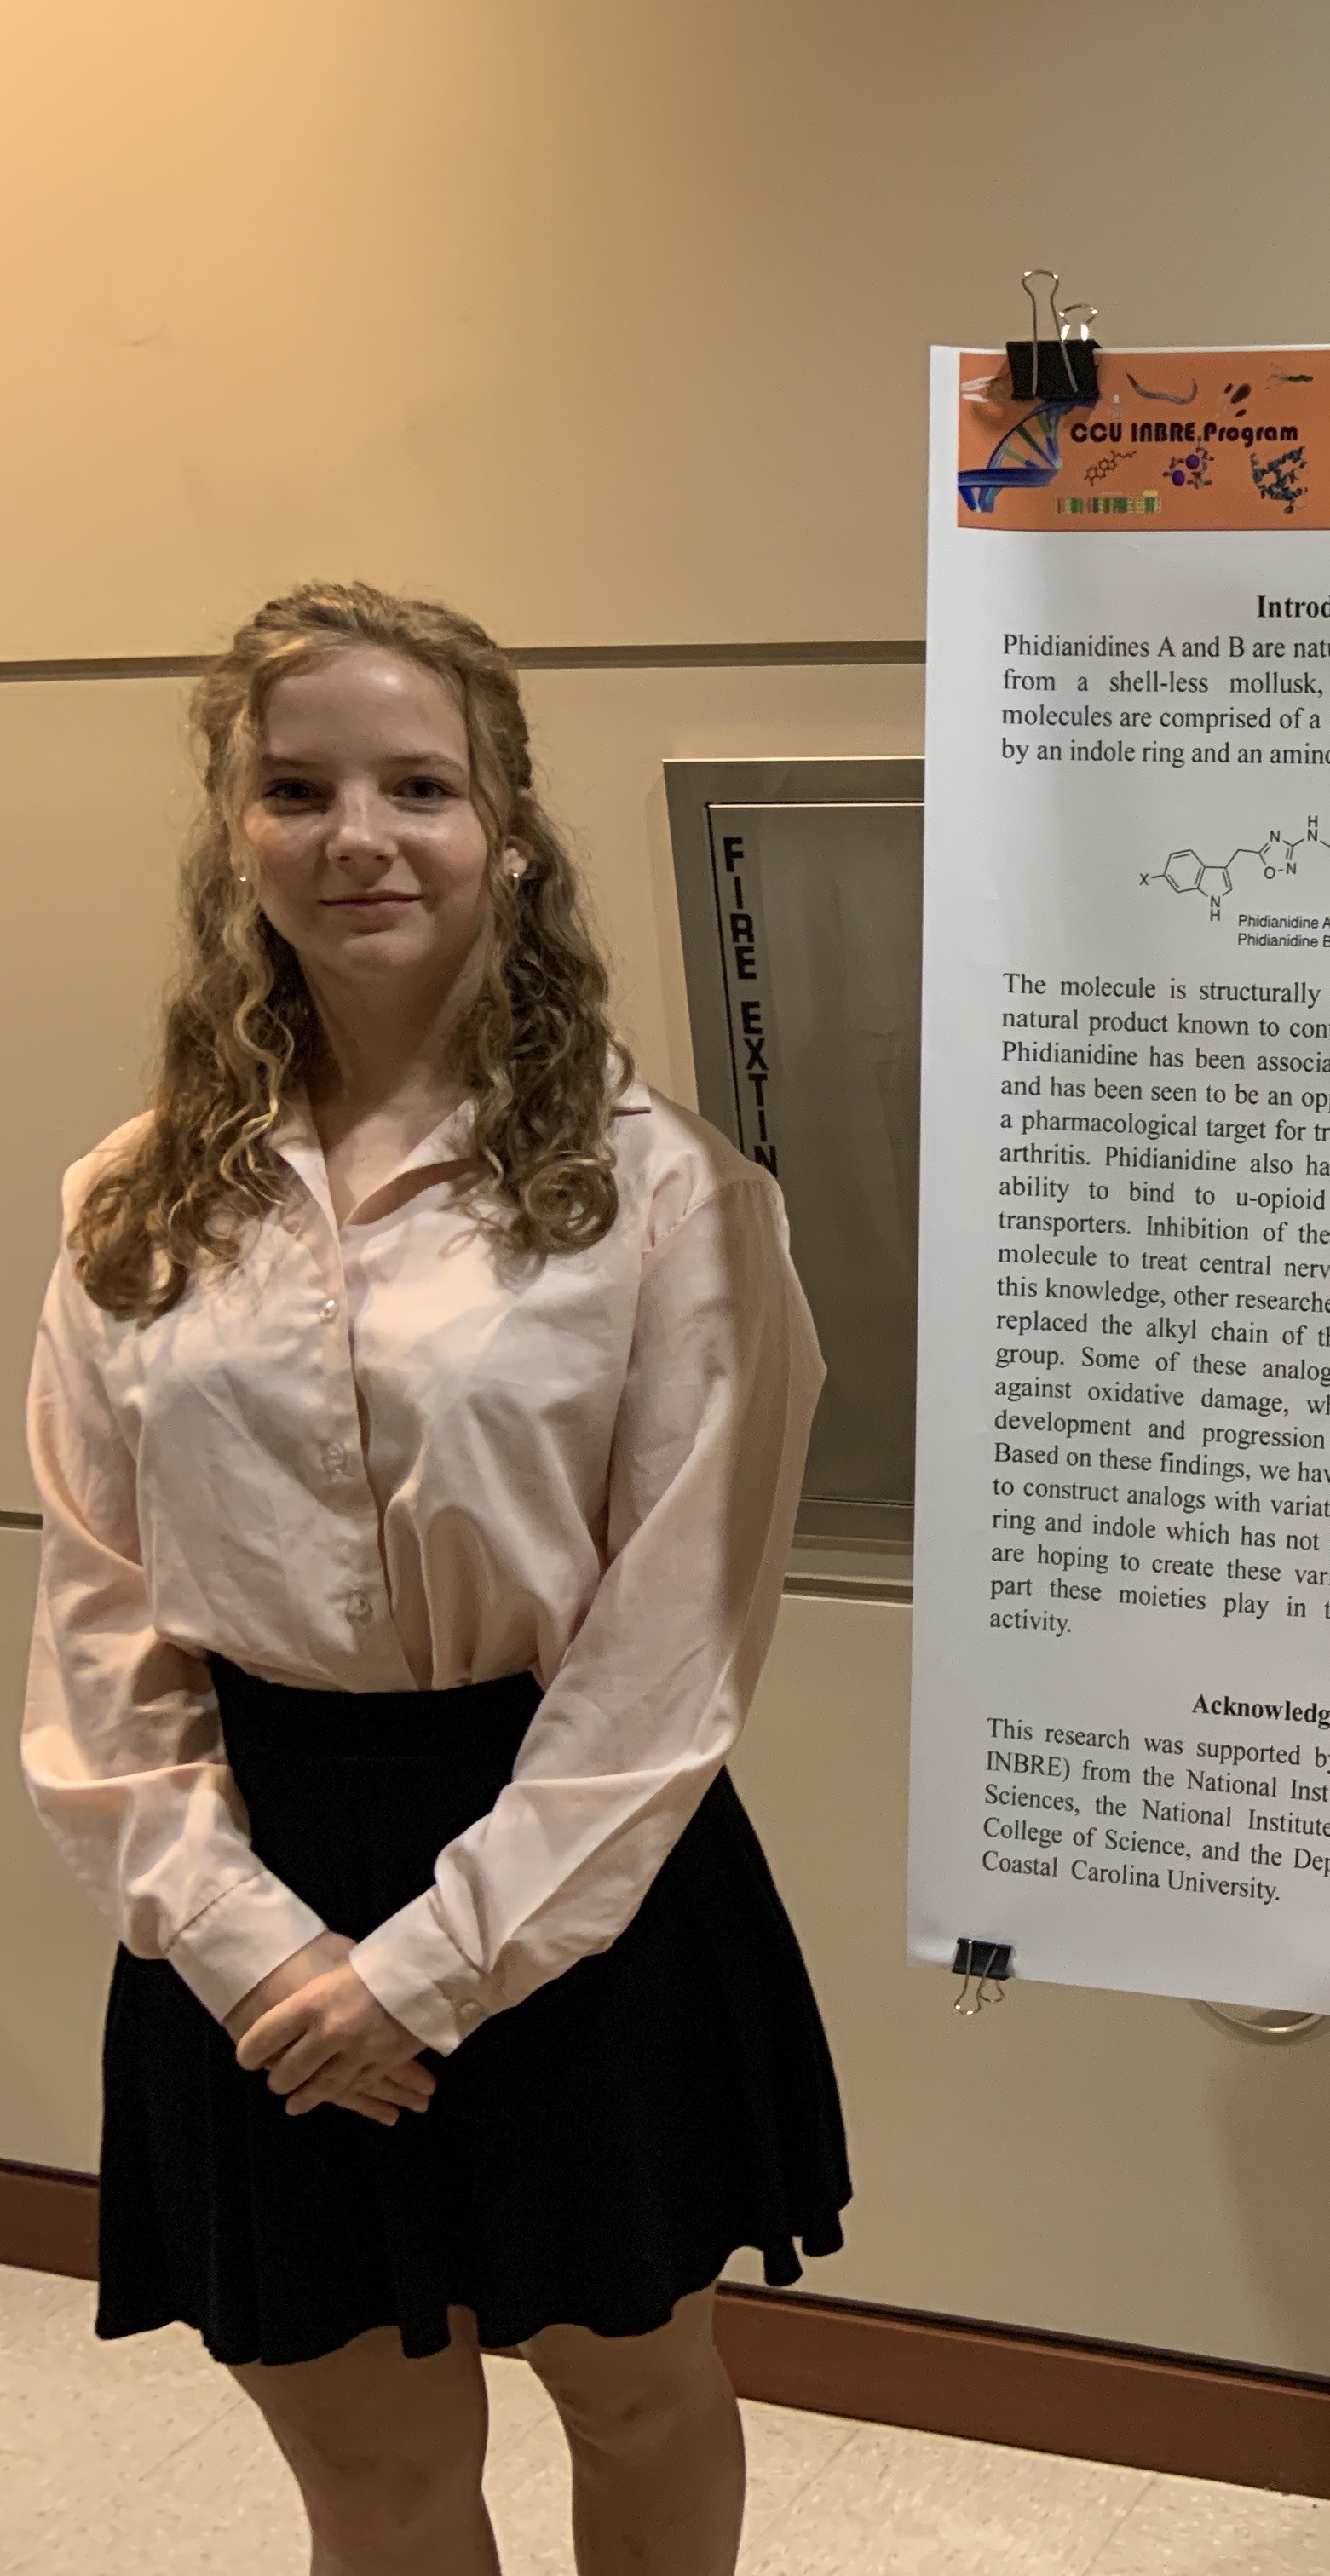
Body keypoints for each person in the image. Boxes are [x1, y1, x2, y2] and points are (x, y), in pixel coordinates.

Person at [21, 581, 849, 2575]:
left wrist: (429, 1968)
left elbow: (670, 1648)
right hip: (251, 1899)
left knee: (636, 2399)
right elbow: (101, 1617)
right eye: (297, 790)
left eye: (418, 786)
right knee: (373, 2472)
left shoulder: (669, 1197)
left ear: (512, 831)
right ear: (238, 834)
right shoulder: (133, 1198)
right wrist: (260, 1953)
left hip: (576, 1874)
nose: (358, 837)